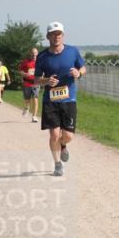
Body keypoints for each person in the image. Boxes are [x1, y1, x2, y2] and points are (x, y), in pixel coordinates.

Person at [35, 23, 86, 177]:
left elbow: (83, 68)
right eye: (53, 34)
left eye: (59, 34)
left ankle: (63, 145)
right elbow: (36, 80)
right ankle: (57, 164)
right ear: (48, 36)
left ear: (63, 35)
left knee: (68, 136)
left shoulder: (72, 51)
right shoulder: (42, 56)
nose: (56, 37)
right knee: (54, 134)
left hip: (69, 99)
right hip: (50, 100)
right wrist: (46, 81)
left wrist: (78, 73)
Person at [19, 47, 40, 122]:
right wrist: (24, 74)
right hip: (27, 83)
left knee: (35, 98)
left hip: (36, 83)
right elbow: (20, 71)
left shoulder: (40, 62)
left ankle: (34, 116)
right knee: (27, 99)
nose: (34, 54)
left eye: (35, 53)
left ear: (37, 53)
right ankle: (26, 108)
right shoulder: (25, 62)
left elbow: (44, 71)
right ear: (30, 53)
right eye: (33, 53)